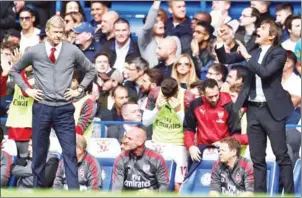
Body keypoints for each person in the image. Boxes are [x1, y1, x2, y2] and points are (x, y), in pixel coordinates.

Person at [10, 16, 97, 189]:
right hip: (42, 107)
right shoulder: (35, 51)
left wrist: (79, 90)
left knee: (70, 153)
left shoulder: (72, 50)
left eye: (62, 32)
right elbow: (15, 70)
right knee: (39, 154)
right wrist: (28, 90)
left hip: (64, 108)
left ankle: (73, 193)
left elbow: (91, 70)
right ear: (48, 31)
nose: (59, 35)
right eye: (56, 32)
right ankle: (38, 191)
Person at [226, 19, 294, 194]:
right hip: (254, 110)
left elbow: (264, 73)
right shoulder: (253, 50)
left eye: (262, 28)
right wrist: (223, 42)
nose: (257, 29)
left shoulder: (279, 53)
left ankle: (289, 194)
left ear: (271, 36)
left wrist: (247, 57)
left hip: (272, 111)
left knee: (282, 156)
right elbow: (226, 58)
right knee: (257, 159)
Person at [183, 79, 247, 165]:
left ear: (219, 90)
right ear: (203, 94)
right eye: (210, 97)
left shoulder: (229, 105)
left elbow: (235, 133)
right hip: (202, 148)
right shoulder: (195, 105)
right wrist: (190, 146)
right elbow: (188, 128)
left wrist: (224, 143)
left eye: (216, 95)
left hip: (223, 148)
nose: (214, 99)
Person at [112, 127, 169, 192]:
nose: (125, 141)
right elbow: (116, 188)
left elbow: (164, 186)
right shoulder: (121, 158)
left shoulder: (157, 159)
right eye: (126, 137)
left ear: (140, 142)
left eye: (129, 139)